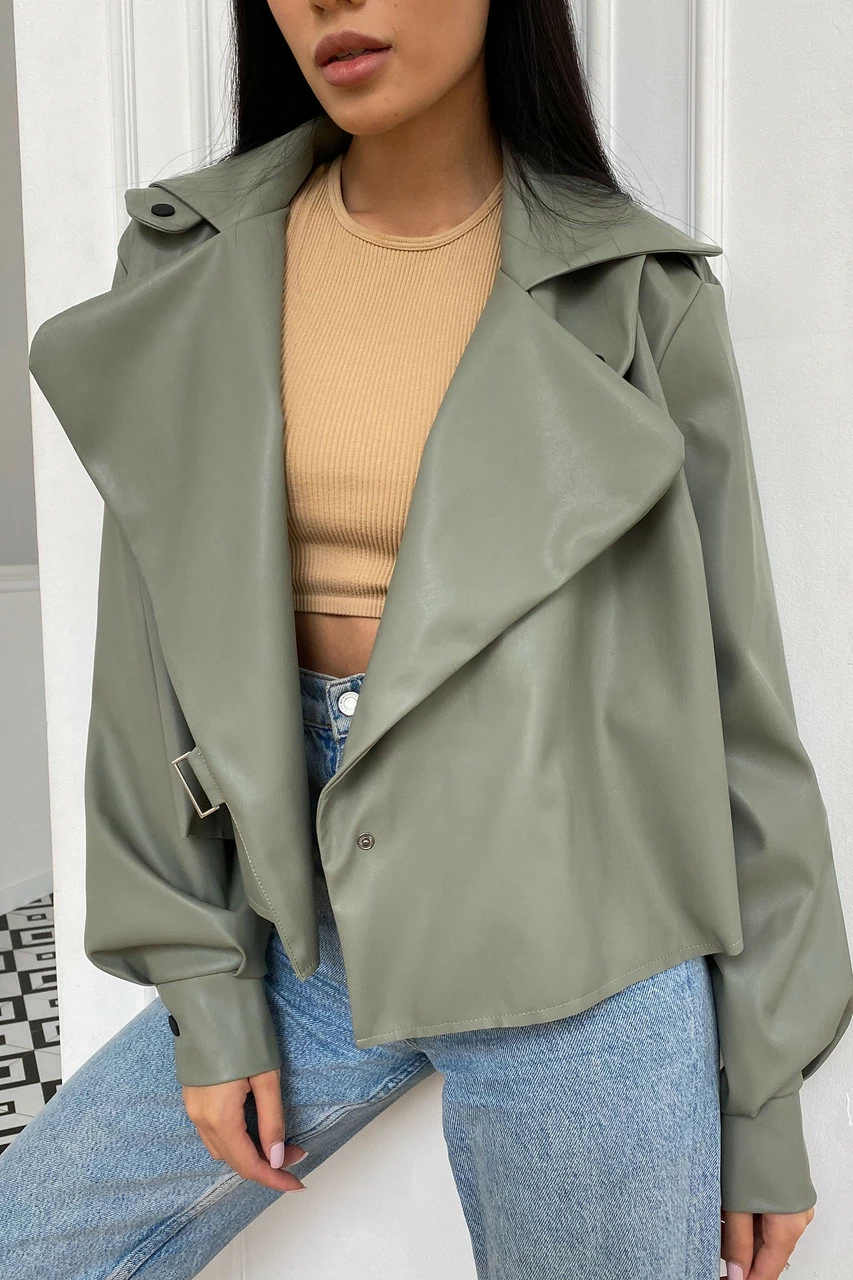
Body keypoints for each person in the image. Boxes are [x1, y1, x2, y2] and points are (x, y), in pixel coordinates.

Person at [6, 1, 853, 1278]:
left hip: (582, 933)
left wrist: (761, 1099)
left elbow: (739, 706)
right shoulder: (192, 257)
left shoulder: (638, 293)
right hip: (303, 913)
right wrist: (206, 989)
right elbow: (147, 654)